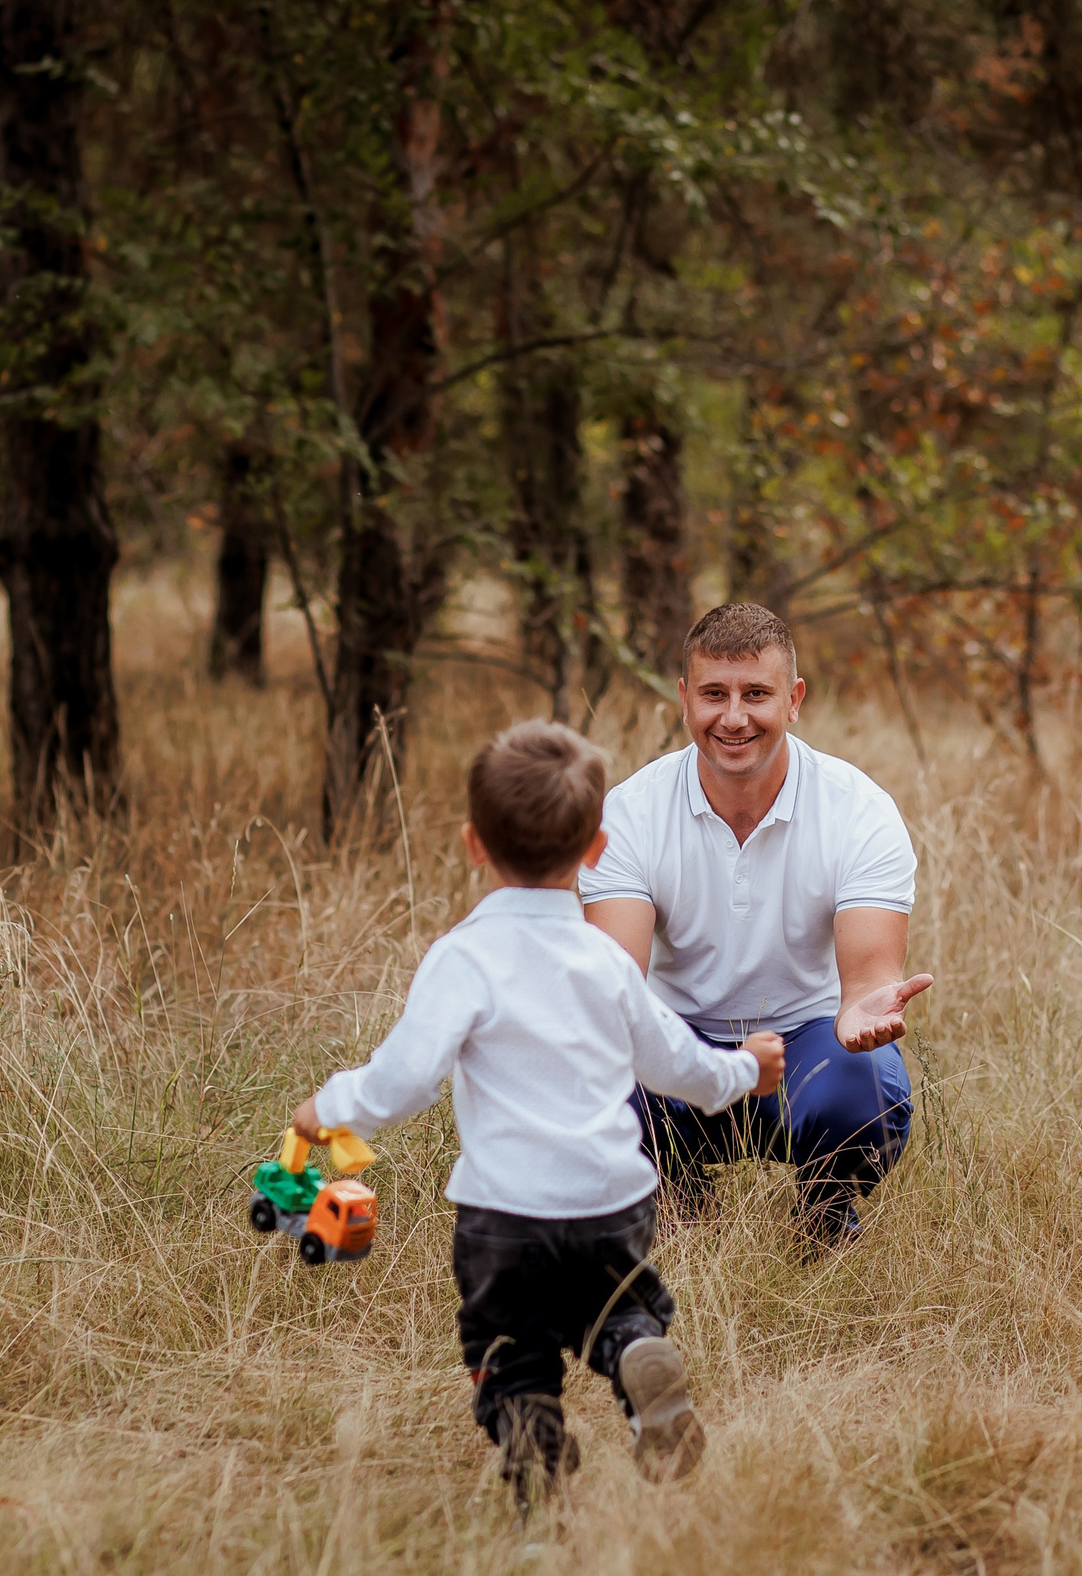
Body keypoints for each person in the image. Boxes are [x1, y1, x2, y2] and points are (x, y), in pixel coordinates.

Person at [289, 720, 786, 1504]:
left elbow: (406, 1078)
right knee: (615, 1307)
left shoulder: (464, 956)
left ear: (471, 843)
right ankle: (632, 1349)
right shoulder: (607, 963)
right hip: (612, 1200)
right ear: (596, 848)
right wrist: (745, 1071)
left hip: (504, 1213)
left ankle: (536, 1454)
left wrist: (328, 1107)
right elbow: (676, 1066)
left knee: (510, 1350)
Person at [580, 602, 933, 1241]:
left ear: (793, 699)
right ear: (684, 699)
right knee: (592, 1081)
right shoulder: (629, 813)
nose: (734, 717)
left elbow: (867, 982)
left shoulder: (860, 812)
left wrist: (860, 1013)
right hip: (675, 1045)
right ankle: (679, 1202)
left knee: (868, 1092)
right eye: (714, 694)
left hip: (807, 1044)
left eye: (757, 694)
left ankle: (823, 1221)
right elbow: (616, 986)